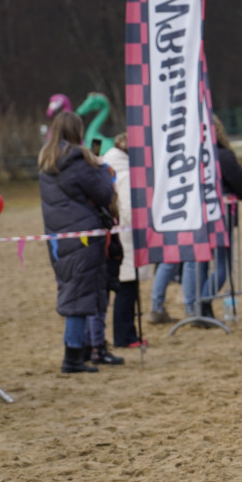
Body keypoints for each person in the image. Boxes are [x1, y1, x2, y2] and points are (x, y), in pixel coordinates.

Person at [38, 110, 117, 373]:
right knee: (80, 296)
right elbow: (104, 193)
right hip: (83, 235)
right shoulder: (78, 161)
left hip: (59, 237)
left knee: (75, 290)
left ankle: (81, 350)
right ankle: (72, 355)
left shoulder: (47, 162)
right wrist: (103, 169)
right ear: (77, 132)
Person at [183, 116, 242, 320]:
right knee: (223, 267)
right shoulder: (223, 156)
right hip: (221, 219)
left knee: (200, 264)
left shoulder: (189, 157)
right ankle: (203, 304)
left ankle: (195, 308)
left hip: (196, 217)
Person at [102, 133, 147, 348]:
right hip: (128, 236)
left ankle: (127, 334)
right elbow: (129, 210)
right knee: (127, 289)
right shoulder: (127, 174)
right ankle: (126, 336)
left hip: (119, 234)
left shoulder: (110, 167)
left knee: (125, 288)